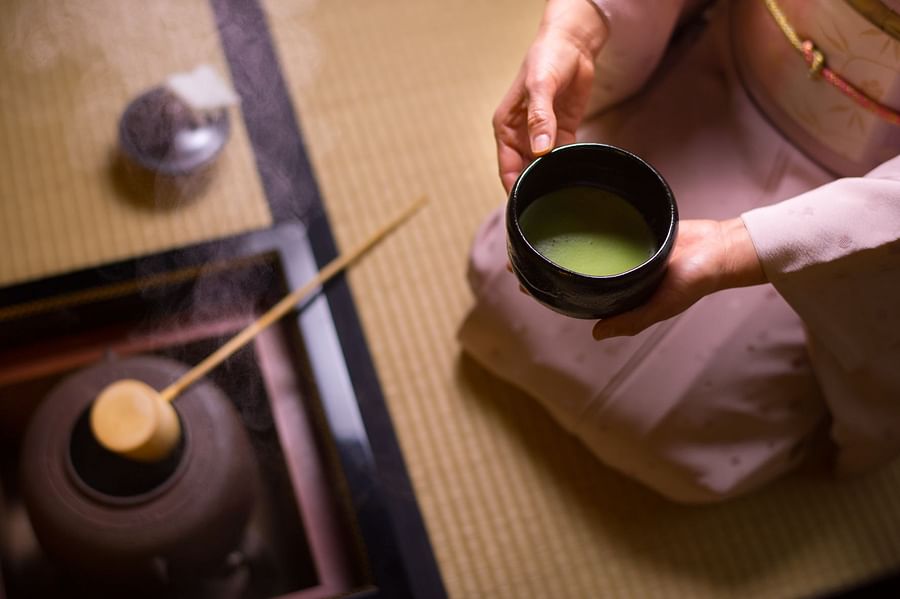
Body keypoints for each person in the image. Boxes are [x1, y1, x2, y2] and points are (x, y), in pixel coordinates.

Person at [458, 0, 900, 503]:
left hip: (870, 202)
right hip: (727, 88)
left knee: (678, 429)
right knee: (505, 276)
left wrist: (747, 246)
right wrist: (580, 28)